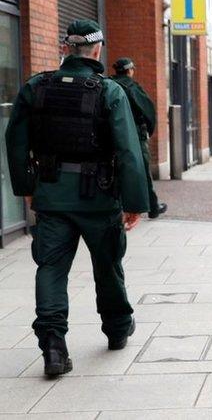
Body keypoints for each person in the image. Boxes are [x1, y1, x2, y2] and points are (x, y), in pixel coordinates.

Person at [5, 20, 149, 377]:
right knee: (107, 265)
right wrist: (134, 201)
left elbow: (15, 140)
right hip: (99, 198)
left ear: (66, 49)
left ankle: (53, 345)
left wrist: (27, 187)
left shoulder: (36, 86)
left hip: (52, 196)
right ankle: (117, 329)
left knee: (51, 269)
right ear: (97, 51)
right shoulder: (109, 91)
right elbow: (128, 150)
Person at [111, 57, 167, 218]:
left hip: (112, 136)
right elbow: (148, 111)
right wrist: (147, 132)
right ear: (129, 71)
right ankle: (153, 207)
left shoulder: (109, 84)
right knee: (142, 170)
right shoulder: (132, 87)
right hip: (135, 136)